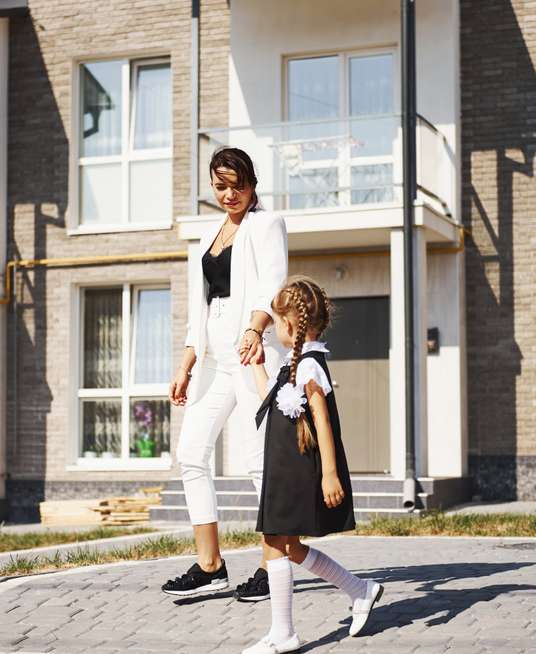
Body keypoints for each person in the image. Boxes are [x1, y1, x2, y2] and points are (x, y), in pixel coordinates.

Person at [161, 147, 288, 602]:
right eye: (221, 186)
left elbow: (273, 282)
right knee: (191, 453)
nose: (230, 194)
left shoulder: (266, 225)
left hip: (251, 354)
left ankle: (271, 567)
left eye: (238, 185)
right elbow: (202, 308)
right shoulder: (207, 236)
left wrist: (256, 328)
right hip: (214, 359)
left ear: (253, 184)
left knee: (258, 463)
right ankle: (211, 564)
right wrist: (186, 364)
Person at [243, 276, 384, 653]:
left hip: (298, 472)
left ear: (289, 325)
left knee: (275, 541)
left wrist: (329, 474)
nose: (274, 332)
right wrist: (257, 366)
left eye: (276, 324)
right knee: (287, 546)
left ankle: (283, 633)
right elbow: (269, 400)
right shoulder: (295, 364)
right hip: (285, 470)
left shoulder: (309, 367)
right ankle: (360, 589)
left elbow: (323, 421)